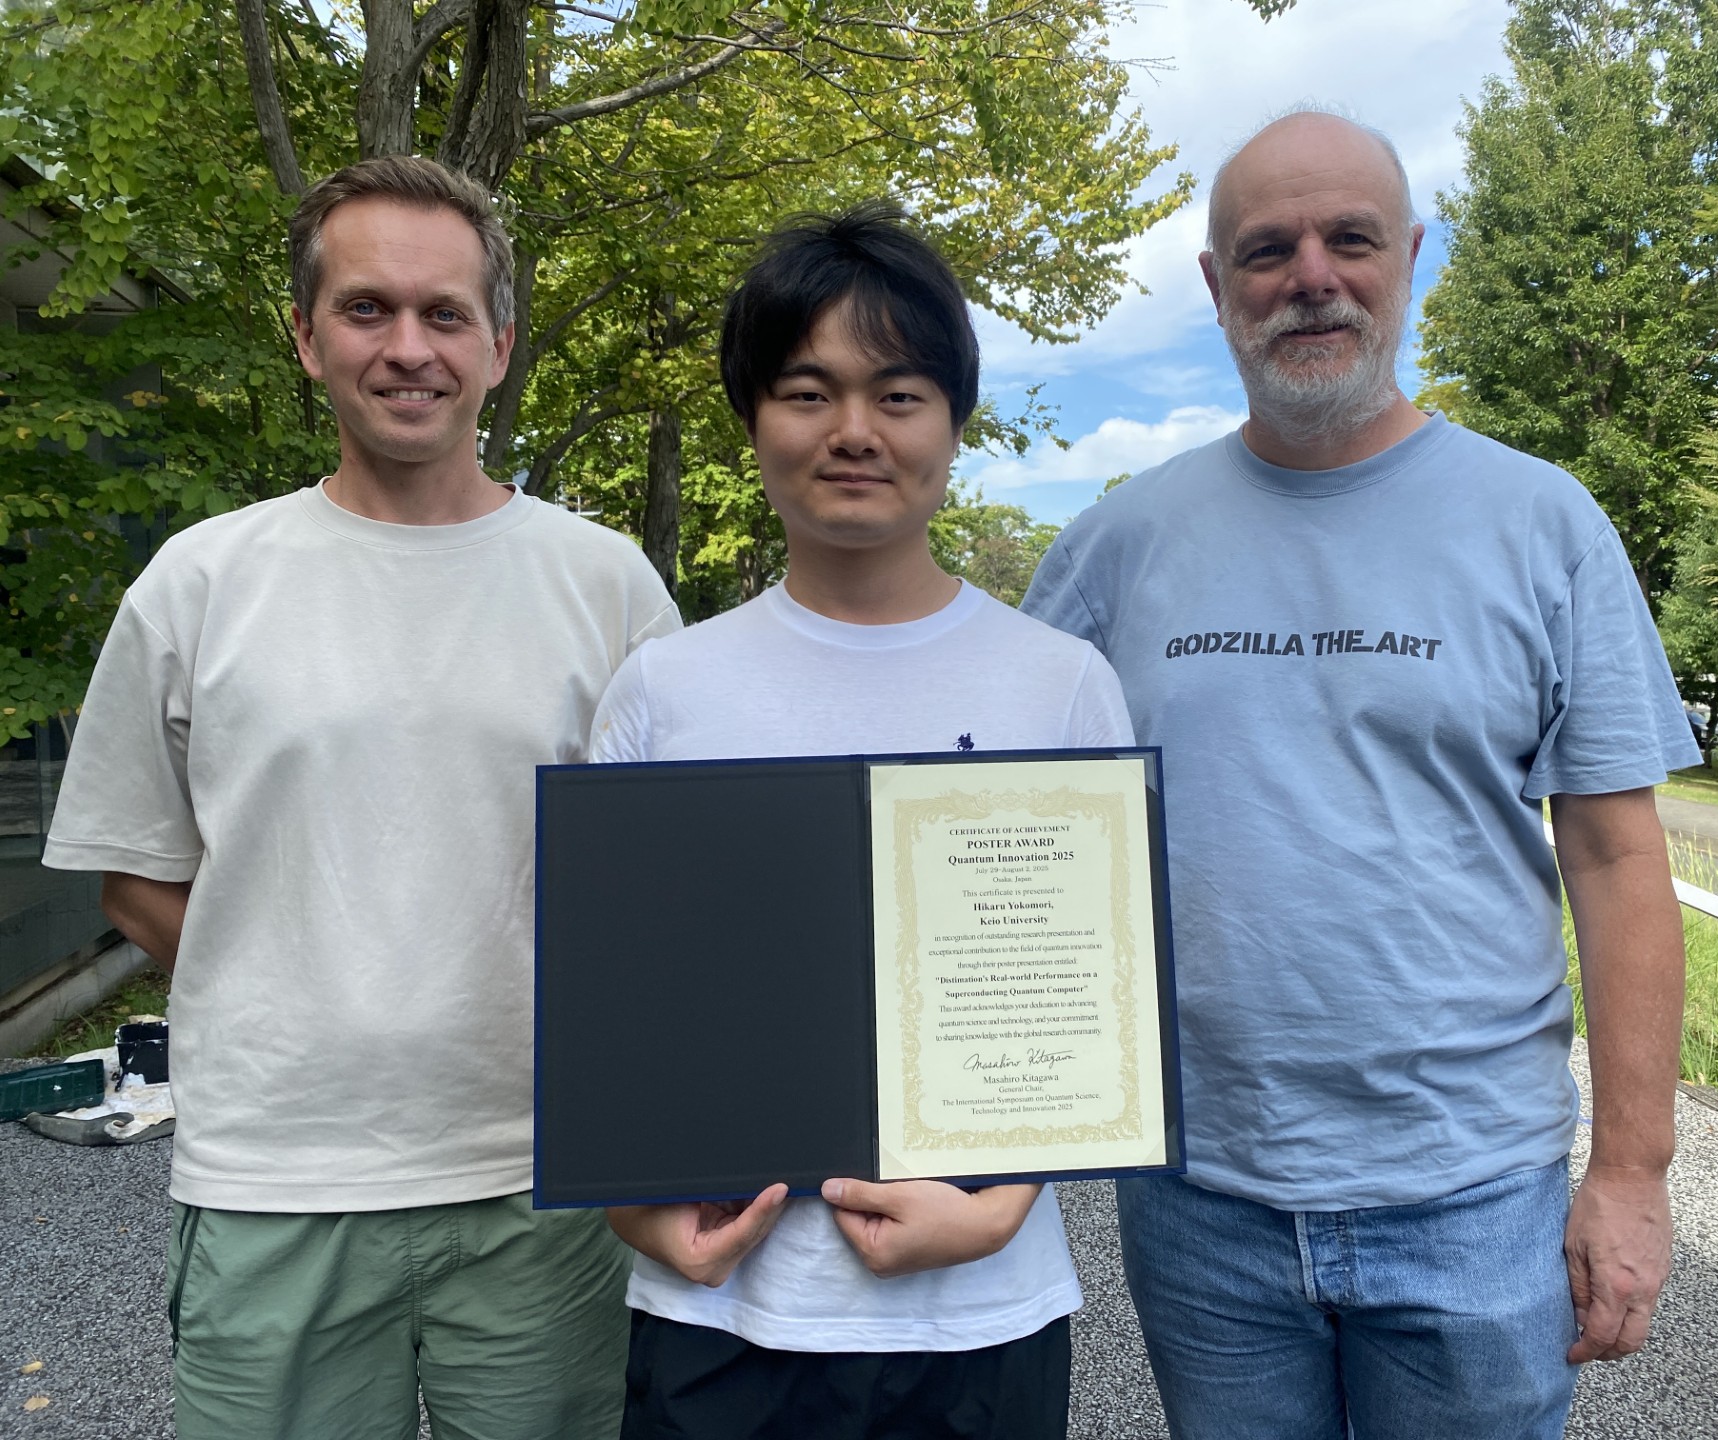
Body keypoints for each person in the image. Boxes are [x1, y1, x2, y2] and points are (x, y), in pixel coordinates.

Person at [1020, 110, 1699, 1439]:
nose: (1312, 276)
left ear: (1411, 259)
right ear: (1216, 285)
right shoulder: (1118, 544)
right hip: (1199, 1194)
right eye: (1267, 249)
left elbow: (1619, 857)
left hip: (1475, 1195)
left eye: (1352, 238)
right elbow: (1003, 820)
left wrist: (1633, 1170)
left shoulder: (1543, 523)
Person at [42, 155, 680, 1440]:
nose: (408, 348)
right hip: (276, 1182)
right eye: (366, 308)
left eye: (446, 313)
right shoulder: (197, 586)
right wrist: (295, 993)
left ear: (499, 345)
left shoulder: (608, 588)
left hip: (546, 1178)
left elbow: (669, 889)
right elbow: (134, 877)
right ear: (305, 336)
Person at [589, 202, 1132, 1440]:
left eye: (898, 395)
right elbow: (613, 990)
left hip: (980, 1319)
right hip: (721, 1316)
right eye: (807, 392)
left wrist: (1001, 1206)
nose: (853, 431)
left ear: (954, 420)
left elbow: (1094, 994)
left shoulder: (1058, 685)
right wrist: (630, 1200)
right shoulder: (666, 688)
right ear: (752, 418)